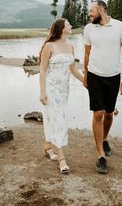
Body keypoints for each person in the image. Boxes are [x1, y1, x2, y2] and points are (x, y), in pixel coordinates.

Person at [83, 0, 122, 174]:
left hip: (113, 77)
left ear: (101, 10)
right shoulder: (89, 29)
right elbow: (86, 54)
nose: (89, 14)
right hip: (94, 75)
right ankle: (101, 156)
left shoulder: (120, 27)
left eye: (92, 11)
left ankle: (104, 138)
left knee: (109, 113)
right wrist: (86, 76)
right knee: (98, 113)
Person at [39, 18, 84, 174]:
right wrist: (42, 92)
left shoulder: (70, 46)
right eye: (69, 24)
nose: (71, 26)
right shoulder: (49, 46)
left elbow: (73, 69)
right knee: (57, 119)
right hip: (51, 89)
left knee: (56, 117)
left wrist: (86, 82)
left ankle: (47, 147)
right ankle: (62, 159)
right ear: (61, 28)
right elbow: (43, 70)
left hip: (64, 89)